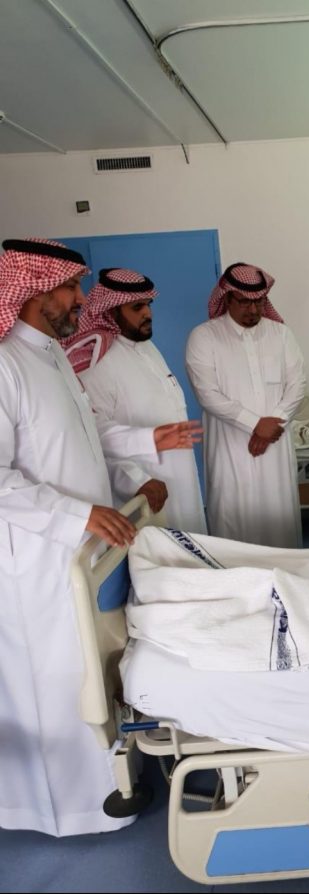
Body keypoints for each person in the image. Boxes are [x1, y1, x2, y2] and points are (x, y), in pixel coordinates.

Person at [0, 237, 180, 837]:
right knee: (55, 680)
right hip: (39, 559)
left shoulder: (53, 357)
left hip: (86, 550)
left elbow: (85, 447)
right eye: (71, 287)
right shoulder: (6, 365)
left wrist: (131, 480)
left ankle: (112, 782)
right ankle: (65, 810)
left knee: (93, 671)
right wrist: (77, 514)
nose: (82, 299)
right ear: (33, 290)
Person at [65, 268, 206, 533]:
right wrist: (149, 439)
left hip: (181, 478)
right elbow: (93, 433)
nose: (148, 313)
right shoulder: (96, 361)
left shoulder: (147, 347)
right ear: (111, 311)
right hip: (143, 483)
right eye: (137, 307)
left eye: (148, 304)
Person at [185, 262, 306, 547]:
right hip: (230, 447)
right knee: (234, 520)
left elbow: (297, 385)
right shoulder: (204, 336)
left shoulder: (281, 334)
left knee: (280, 517)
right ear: (227, 298)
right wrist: (255, 424)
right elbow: (207, 394)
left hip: (275, 445)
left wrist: (272, 423)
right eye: (244, 302)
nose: (253, 310)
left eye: (259, 302)